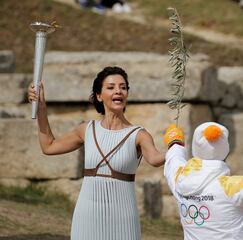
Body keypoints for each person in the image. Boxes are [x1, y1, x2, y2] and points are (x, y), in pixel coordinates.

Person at [28, 66, 165, 240]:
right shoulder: (87, 129)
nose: (118, 91)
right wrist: (41, 108)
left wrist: (174, 149)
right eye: (111, 87)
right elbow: (49, 146)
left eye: (123, 87)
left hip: (123, 219)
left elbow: (154, 158)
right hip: (87, 217)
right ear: (99, 96)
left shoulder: (138, 134)